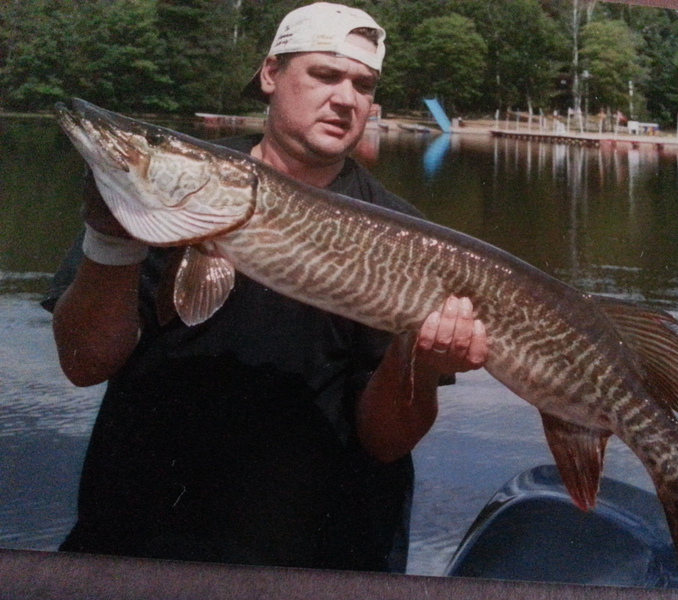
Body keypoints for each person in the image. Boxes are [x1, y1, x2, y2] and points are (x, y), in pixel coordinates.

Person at [43, 2, 488, 573]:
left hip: (322, 557)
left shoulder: (404, 239)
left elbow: (386, 442)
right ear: (271, 74)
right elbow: (84, 364)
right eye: (325, 74)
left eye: (363, 85)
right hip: (141, 541)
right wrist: (110, 242)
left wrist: (420, 363)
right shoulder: (180, 196)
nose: (347, 99)